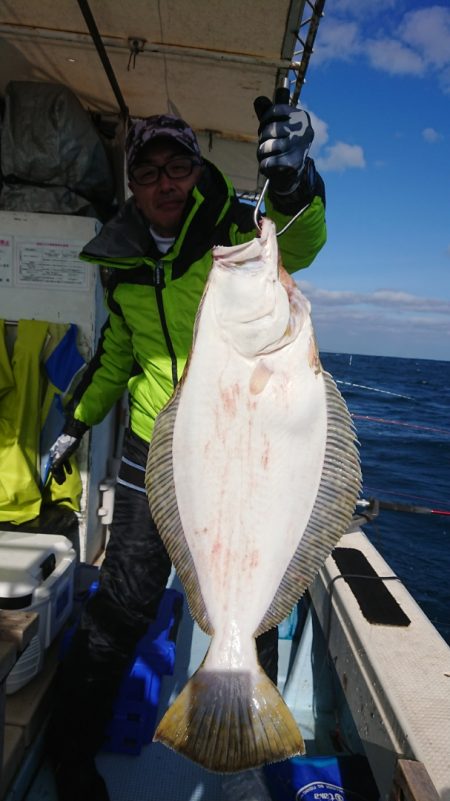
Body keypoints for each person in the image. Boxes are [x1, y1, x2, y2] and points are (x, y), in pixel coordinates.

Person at [46, 100, 326, 801]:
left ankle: (247, 768)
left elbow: (301, 238)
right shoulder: (120, 258)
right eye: (149, 169)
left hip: (245, 444)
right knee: (122, 608)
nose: (167, 181)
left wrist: (296, 183)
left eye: (179, 164)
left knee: (256, 607)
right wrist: (77, 421)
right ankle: (71, 754)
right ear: (132, 183)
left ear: (197, 168)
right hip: (157, 451)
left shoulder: (235, 225)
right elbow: (117, 353)